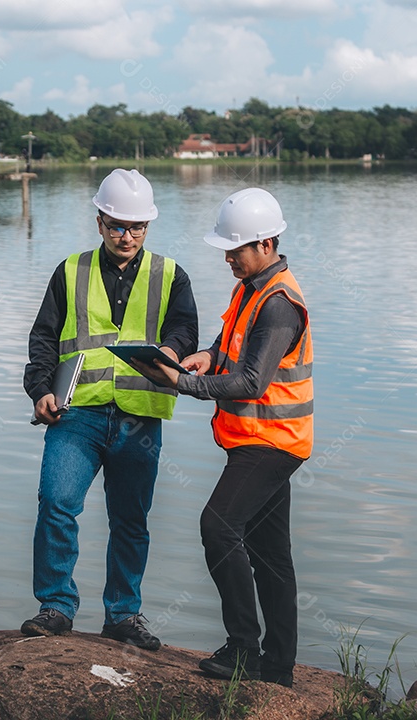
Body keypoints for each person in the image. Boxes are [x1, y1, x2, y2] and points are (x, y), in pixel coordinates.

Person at [130, 188, 313, 687]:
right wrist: (207, 357)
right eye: (226, 249)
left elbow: (251, 382)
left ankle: (243, 649)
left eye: (237, 249)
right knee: (270, 553)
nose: (228, 257)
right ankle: (277, 667)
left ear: (268, 244)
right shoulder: (252, 287)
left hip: (270, 442)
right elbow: (229, 347)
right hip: (259, 439)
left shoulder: (278, 304)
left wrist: (180, 382)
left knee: (218, 527)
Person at [22, 168, 199, 651]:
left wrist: (170, 349)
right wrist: (40, 389)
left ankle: (123, 615)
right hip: (75, 414)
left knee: (130, 520)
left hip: (139, 416)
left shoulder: (170, 275)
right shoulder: (69, 270)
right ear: (99, 220)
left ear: (148, 227)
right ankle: (56, 607)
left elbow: (186, 332)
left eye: (137, 226)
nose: (127, 235)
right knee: (57, 503)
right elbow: (43, 339)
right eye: (118, 224)